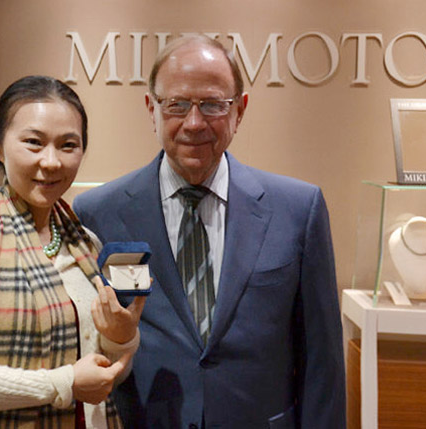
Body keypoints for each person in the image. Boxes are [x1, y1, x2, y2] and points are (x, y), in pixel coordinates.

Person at [73, 35, 346, 428]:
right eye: (177, 104)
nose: (194, 123)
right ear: (151, 109)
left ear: (240, 111)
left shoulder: (299, 210)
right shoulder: (98, 213)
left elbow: (322, 362)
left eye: (213, 105)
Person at [0, 76, 145, 428]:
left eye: (68, 145)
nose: (51, 161)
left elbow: (104, 377)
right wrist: (64, 383)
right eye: (33, 143)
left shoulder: (86, 243)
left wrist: (121, 337)